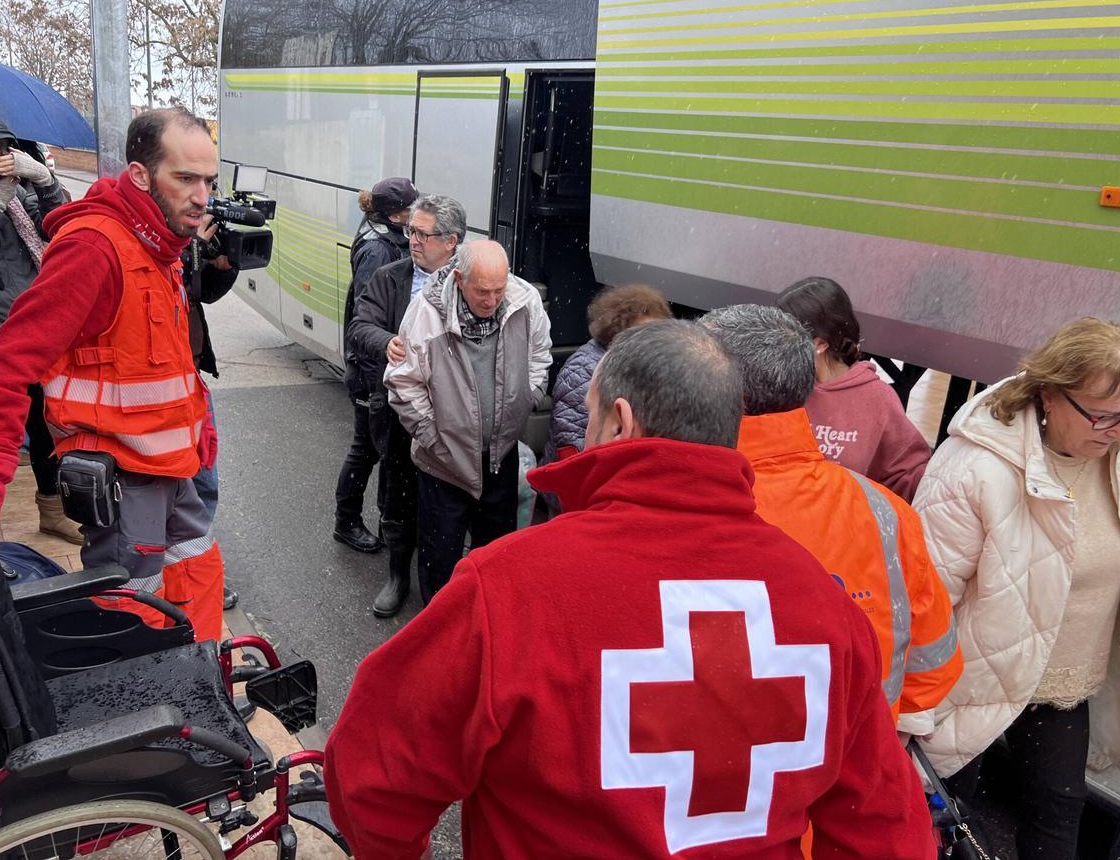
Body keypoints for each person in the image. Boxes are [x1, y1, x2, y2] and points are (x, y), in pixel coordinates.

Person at [325, 319, 933, 859]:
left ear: (621, 420)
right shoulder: (823, 602)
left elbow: (373, 775)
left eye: (589, 414)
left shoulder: (511, 586)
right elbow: (885, 830)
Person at [0, 108, 227, 643]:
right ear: (142, 176)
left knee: (196, 572)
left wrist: (199, 428)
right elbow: (5, 366)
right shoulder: (95, 248)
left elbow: (156, 359)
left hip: (174, 470)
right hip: (126, 486)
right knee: (134, 613)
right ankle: (151, 704)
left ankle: (203, 676)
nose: (203, 197)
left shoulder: (157, 240)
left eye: (210, 181)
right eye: (187, 178)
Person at [912, 317, 1120, 860]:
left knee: (1057, 812)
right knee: (948, 818)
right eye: (1105, 415)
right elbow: (926, 598)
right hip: (973, 679)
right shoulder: (974, 469)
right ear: (1048, 394)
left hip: (1064, 678)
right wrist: (909, 710)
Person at [701, 304, 962, 729]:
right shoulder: (884, 512)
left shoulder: (682, 504)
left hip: (724, 783)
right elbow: (933, 672)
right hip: (854, 771)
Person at [385, 239, 551, 603]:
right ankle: (442, 635)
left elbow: (540, 355)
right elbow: (402, 381)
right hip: (443, 464)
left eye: (498, 289)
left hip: (500, 458)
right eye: (481, 292)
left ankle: (486, 627)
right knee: (440, 562)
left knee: (495, 558)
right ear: (459, 279)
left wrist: (528, 399)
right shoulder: (426, 312)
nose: (491, 300)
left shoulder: (524, 301)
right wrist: (434, 437)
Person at [0, 103, 79, 543]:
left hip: (28, 328)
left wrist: (45, 181)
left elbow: (62, 229)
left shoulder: (16, 192)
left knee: (45, 427)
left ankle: (52, 509)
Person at [348, 194, 465, 617]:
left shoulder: (469, 284)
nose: (412, 240)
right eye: (410, 231)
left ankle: (440, 587)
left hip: (451, 414)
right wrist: (387, 343)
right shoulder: (390, 277)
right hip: (399, 412)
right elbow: (360, 325)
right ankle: (397, 577)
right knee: (396, 496)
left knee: (442, 500)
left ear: (451, 241)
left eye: (422, 233)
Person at [776, 276, 930, 501]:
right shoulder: (776, 386)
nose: (773, 342)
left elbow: (907, 477)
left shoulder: (877, 399)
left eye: (783, 334)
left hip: (843, 527)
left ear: (820, 344)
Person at [333, 177, 420, 554]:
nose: (415, 215)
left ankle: (388, 521)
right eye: (410, 209)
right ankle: (348, 522)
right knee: (369, 448)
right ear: (394, 214)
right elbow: (367, 319)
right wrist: (375, 375)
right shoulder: (378, 252)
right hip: (372, 369)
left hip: (377, 366)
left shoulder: (387, 236)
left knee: (379, 449)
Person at [541, 283, 671, 465]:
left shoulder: (651, 364)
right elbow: (571, 446)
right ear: (617, 329)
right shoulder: (585, 368)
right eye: (641, 334)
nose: (650, 342)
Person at [183, 216, 240, 610]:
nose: (201, 196)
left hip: (191, 377)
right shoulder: (145, 239)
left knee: (204, 484)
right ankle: (188, 581)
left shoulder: (182, 238)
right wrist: (190, 253)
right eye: (190, 180)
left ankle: (200, 574)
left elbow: (200, 294)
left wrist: (220, 267)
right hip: (159, 391)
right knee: (177, 492)